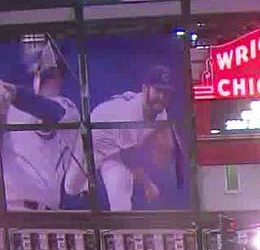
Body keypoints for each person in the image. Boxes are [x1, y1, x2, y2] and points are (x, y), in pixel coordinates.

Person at [0, 38, 80, 211]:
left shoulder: (66, 107)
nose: (54, 78)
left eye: (56, 72)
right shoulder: (4, 102)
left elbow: (48, 111)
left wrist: (11, 92)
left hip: (41, 211)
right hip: (5, 208)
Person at [65, 65, 178, 211]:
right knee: (71, 187)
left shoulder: (160, 112)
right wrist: (147, 184)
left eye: (166, 93)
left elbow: (157, 142)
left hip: (116, 152)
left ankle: (118, 225)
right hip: (93, 143)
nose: (162, 97)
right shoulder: (130, 113)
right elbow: (129, 158)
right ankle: (90, 184)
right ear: (145, 89)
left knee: (121, 205)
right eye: (158, 91)